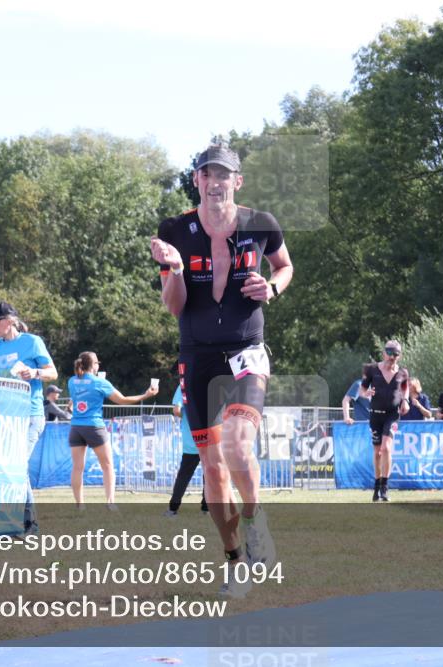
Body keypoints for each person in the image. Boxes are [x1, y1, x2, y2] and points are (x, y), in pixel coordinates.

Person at [150, 142, 293, 598]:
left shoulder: (261, 224)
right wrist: (172, 270)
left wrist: (271, 287)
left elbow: (285, 266)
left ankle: (255, 522)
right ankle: (234, 560)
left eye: (223, 174)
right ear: (197, 181)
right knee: (212, 468)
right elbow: (173, 307)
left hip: (246, 349)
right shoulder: (174, 230)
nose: (215, 182)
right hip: (197, 355)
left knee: (237, 445)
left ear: (237, 181)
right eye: (206, 174)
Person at [0, 302, 57, 534]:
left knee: (18, 464)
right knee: (11, 467)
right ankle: (11, 519)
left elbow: (53, 372)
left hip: (29, 415)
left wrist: (36, 373)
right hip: (3, 419)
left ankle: (29, 523)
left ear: (10, 321)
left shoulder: (32, 342)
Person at [67, 351, 158, 509]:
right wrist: (145, 395)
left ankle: (79, 504)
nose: (98, 366)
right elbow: (122, 400)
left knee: (77, 467)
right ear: (93, 365)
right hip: (94, 426)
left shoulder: (72, 381)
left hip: (76, 427)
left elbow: (80, 395)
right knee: (108, 466)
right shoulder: (100, 383)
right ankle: (110, 503)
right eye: (97, 363)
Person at [361, 340, 410, 502]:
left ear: (399, 356)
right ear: (383, 353)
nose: (392, 357)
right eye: (389, 353)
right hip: (375, 414)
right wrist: (367, 392)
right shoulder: (371, 369)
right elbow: (361, 390)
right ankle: (376, 485)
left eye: (396, 354)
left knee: (386, 448)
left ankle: (385, 486)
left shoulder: (402, 373)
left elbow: (405, 388)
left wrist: (406, 401)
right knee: (377, 452)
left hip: (392, 415)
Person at [166, 378, 208, 516]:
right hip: (210, 438)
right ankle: (206, 509)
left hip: (191, 439)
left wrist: (190, 417)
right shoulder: (212, 383)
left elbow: (176, 410)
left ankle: (173, 509)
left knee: (184, 475)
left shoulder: (184, 384)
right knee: (209, 475)